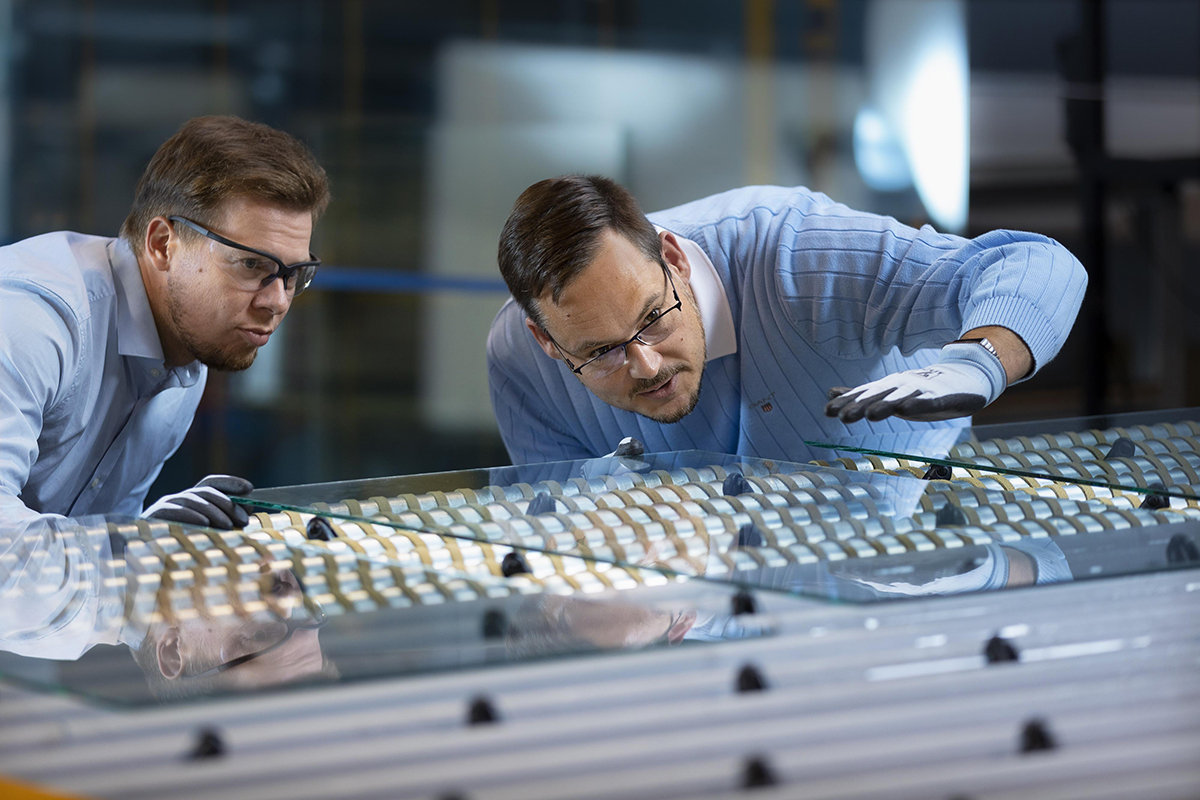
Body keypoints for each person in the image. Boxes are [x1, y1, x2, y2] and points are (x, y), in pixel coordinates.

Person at [487, 176, 1087, 465]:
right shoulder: (519, 359)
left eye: (653, 318)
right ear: (547, 342)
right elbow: (564, 543)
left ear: (672, 257)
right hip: (715, 620)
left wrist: (981, 361)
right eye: (602, 354)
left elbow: (1035, 263)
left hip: (925, 556)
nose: (645, 364)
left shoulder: (793, 254)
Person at [0, 115, 329, 530]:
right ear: (162, 245)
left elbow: (91, 550)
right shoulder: (31, 319)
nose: (277, 301)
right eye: (251, 265)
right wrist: (137, 542)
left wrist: (149, 533)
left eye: (294, 273)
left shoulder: (186, 354)